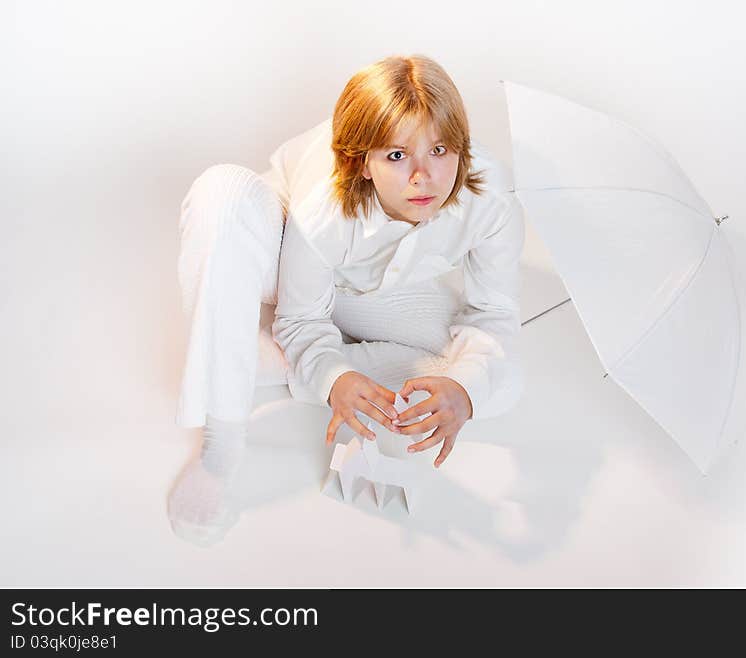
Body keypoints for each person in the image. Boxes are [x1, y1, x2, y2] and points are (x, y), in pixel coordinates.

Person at [168, 54, 526, 545]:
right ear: (363, 162)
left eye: (440, 150)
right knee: (223, 193)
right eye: (397, 156)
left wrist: (462, 389)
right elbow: (301, 318)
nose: (423, 177)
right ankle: (221, 439)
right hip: (275, 257)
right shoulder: (324, 208)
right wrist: (331, 375)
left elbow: (495, 313)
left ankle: (248, 359)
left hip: (367, 288)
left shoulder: (491, 197)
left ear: (461, 148)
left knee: (497, 386)